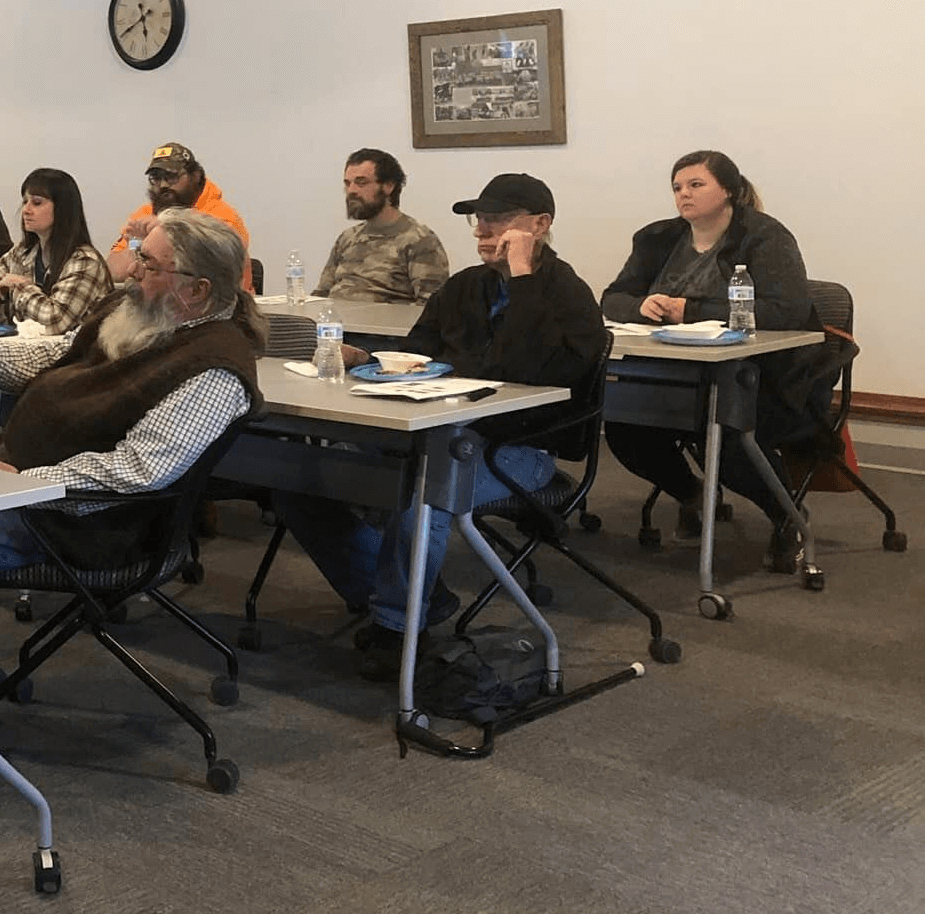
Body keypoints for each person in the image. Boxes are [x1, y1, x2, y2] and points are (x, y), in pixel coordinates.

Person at [0, 208, 265, 712]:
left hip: (80, 518)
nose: (131, 271)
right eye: (139, 257)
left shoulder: (215, 368)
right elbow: (58, 355)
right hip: (19, 476)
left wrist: (27, 483)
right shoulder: (144, 311)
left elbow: (135, 474)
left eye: (149, 265)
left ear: (196, 290)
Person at [272, 173, 606, 681]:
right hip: (437, 432)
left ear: (540, 225)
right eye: (481, 220)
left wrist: (522, 277)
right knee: (302, 482)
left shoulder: (567, 294)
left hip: (517, 447)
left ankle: (397, 624)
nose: (484, 230)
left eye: (500, 219)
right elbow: (420, 351)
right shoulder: (465, 287)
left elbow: (520, 369)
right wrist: (370, 357)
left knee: (422, 496)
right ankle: (413, 597)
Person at [599, 150, 827, 543]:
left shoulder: (765, 237)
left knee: (725, 434)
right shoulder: (657, 238)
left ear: (729, 191)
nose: (683, 194)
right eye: (677, 187)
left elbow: (787, 310)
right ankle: (693, 494)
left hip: (760, 377)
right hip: (675, 370)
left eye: (695, 184)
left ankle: (786, 512)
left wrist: (691, 310)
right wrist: (640, 306)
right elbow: (612, 298)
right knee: (624, 425)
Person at [0, 168, 113, 334]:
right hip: (29, 351)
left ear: (62, 209)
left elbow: (54, 322)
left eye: (37, 203)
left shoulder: (85, 262)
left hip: (73, 356)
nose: (26, 210)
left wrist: (20, 286)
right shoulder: (23, 253)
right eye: (25, 202)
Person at [106, 142, 253, 290]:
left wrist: (165, 231)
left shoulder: (221, 216)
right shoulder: (143, 214)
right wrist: (136, 244)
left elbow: (209, 272)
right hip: (158, 306)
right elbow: (114, 272)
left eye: (171, 176)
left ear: (195, 176)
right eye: (155, 178)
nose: (163, 185)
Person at [312, 148, 451, 303]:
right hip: (335, 324)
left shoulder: (419, 239)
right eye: (347, 183)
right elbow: (321, 295)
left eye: (361, 183)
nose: (351, 191)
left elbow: (431, 308)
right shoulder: (347, 238)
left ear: (388, 186)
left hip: (382, 326)